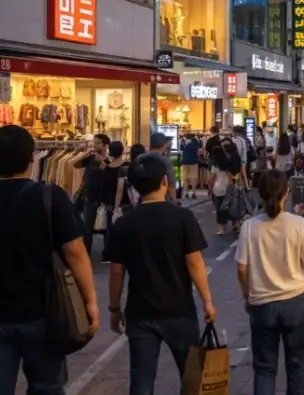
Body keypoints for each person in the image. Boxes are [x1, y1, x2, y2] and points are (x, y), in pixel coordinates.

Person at [105, 155, 216, 394]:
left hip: (140, 312)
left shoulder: (125, 223)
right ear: (165, 182)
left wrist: (114, 308)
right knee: (191, 377)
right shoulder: (182, 217)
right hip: (180, 310)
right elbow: (194, 262)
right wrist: (207, 301)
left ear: (133, 187)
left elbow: (116, 270)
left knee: (142, 380)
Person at [0, 126, 98, 394]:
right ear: (32, 158)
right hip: (44, 311)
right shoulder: (49, 197)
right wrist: (89, 301)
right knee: (47, 386)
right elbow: (76, 253)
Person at [236, 170, 304, 395]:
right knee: (297, 365)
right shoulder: (299, 224)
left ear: (260, 195)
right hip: (295, 300)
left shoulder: (249, 227)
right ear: (287, 192)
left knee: (264, 368)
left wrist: (247, 295)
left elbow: (241, 268)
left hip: (262, 303)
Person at [72, 132, 111, 254]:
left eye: (98, 143)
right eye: (94, 142)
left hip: (102, 198)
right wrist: (84, 154)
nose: (95, 145)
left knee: (104, 226)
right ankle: (86, 252)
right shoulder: (90, 159)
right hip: (88, 197)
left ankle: (107, 253)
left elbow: (108, 173)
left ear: (105, 146)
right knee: (87, 227)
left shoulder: (108, 161)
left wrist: (101, 161)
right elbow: (75, 164)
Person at [210, 143, 245, 235]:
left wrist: (209, 187)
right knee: (233, 207)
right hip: (229, 187)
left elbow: (212, 178)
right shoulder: (229, 164)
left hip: (218, 189)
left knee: (220, 209)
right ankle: (236, 224)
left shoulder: (215, 165)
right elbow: (233, 177)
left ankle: (221, 228)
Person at [137, 133, 178, 202]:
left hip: (143, 198)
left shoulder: (140, 158)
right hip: (162, 198)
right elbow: (171, 184)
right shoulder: (165, 161)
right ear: (163, 145)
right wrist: (174, 200)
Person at [179, 133, 201, 199]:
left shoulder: (182, 141)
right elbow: (198, 150)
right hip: (193, 161)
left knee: (185, 177)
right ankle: (193, 193)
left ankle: (186, 193)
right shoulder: (195, 141)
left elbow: (181, 149)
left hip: (185, 161)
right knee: (193, 178)